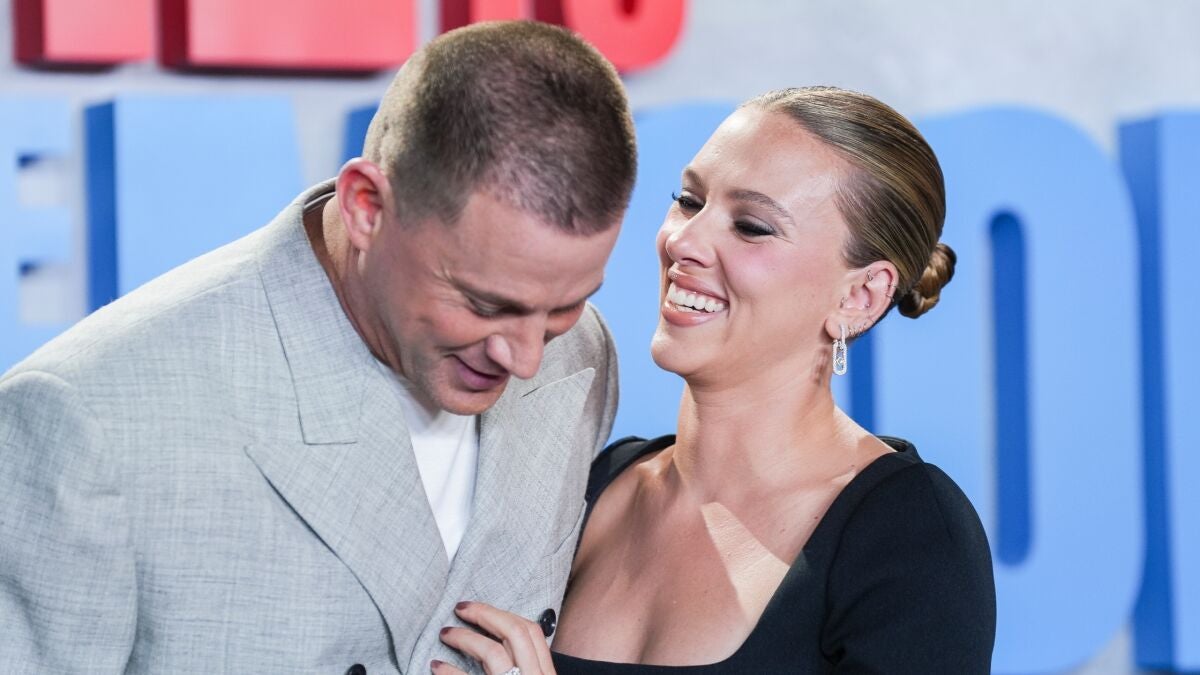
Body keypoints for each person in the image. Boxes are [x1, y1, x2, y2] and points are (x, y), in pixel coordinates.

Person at [0, 21, 636, 674]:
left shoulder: (582, 356)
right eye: (485, 304)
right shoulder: (89, 421)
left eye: (564, 305)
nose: (526, 358)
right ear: (366, 206)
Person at [435, 87, 996, 674]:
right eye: (689, 200)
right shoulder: (597, 483)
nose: (683, 241)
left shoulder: (912, 535)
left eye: (751, 226)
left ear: (859, 296)